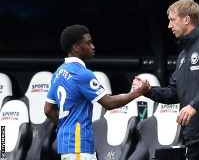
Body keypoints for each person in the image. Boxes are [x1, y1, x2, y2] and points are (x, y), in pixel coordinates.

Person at [133, 0, 199, 160]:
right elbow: (174, 92)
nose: (169, 26)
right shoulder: (183, 55)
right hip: (193, 135)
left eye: (172, 20)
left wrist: (193, 105)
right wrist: (149, 91)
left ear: (186, 19)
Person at [44, 24, 149, 160]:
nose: (93, 47)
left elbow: (48, 109)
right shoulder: (82, 74)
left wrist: (66, 128)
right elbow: (109, 103)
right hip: (79, 146)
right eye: (88, 43)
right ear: (76, 48)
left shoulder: (58, 73)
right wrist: (137, 92)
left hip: (68, 144)